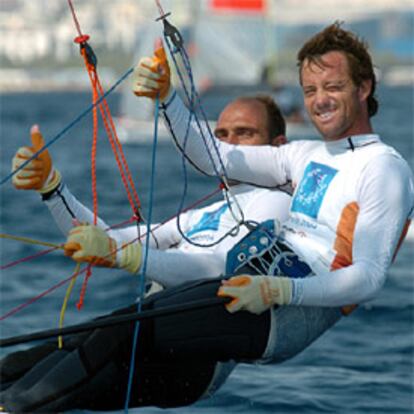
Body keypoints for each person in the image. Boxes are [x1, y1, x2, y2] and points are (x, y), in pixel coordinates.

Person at [1, 22, 413, 412]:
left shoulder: (383, 167)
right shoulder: (304, 156)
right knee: (103, 333)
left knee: (122, 333)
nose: (319, 99)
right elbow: (212, 157)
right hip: (254, 285)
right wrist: (168, 100)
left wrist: (279, 291)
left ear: (364, 87)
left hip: (286, 311)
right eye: (310, 89)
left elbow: (370, 277)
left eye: (333, 86)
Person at [0, 95, 292, 411]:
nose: (229, 144)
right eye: (221, 135)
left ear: (278, 145)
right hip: (143, 336)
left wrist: (129, 257)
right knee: (24, 363)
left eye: (245, 133)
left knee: (100, 340)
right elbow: (111, 239)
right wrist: (53, 189)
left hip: (193, 361)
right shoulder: (204, 215)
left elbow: (215, 269)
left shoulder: (276, 202)